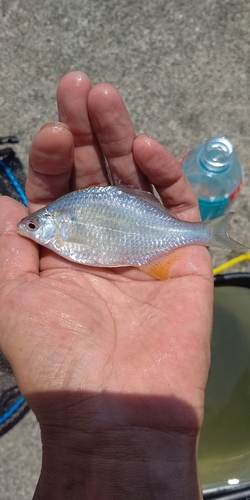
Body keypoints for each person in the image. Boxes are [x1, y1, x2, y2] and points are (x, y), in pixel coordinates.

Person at [0, 71, 213, 499]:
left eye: (36, 225)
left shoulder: (64, 222)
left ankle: (209, 233)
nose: (30, 229)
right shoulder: (64, 220)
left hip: (147, 238)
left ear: (53, 223)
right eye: (34, 224)